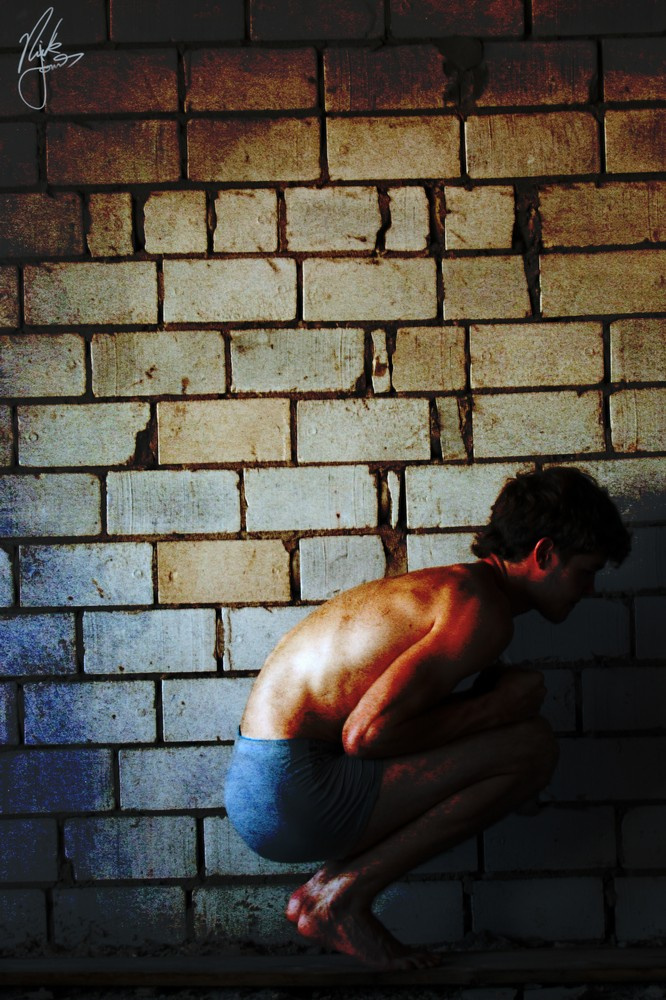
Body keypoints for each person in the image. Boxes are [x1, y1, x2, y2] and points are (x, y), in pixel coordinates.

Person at [224, 466, 630, 969]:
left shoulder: (456, 588)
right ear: (544, 554)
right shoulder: (480, 609)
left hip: (264, 780)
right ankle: (335, 900)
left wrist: (487, 710)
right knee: (530, 748)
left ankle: (328, 894)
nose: (589, 590)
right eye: (586, 571)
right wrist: (496, 709)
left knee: (514, 740)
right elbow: (369, 735)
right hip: (291, 791)